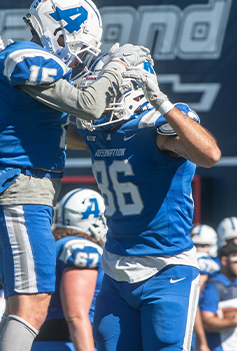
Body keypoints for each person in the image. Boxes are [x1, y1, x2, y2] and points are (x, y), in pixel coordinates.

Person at [0, 0, 151, 351]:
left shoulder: (22, 60)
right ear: (59, 31)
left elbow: (65, 133)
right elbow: (88, 105)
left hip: (21, 189)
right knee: (31, 306)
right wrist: (116, 70)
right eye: (80, 48)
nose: (79, 60)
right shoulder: (26, 57)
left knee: (23, 305)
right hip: (20, 188)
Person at [66, 55, 221, 350]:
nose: (101, 98)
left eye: (109, 90)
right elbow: (53, 131)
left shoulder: (155, 129)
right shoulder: (98, 132)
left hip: (166, 267)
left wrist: (162, 102)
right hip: (115, 268)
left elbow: (210, 155)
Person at [32, 188, 107, 351]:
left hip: (45, 340)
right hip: (68, 343)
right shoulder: (82, 248)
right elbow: (76, 316)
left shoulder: (54, 247)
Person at [191, 224, 220, 351]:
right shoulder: (205, 267)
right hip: (194, 334)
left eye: (204, 246)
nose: (199, 249)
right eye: (196, 245)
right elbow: (194, 301)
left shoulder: (218, 267)